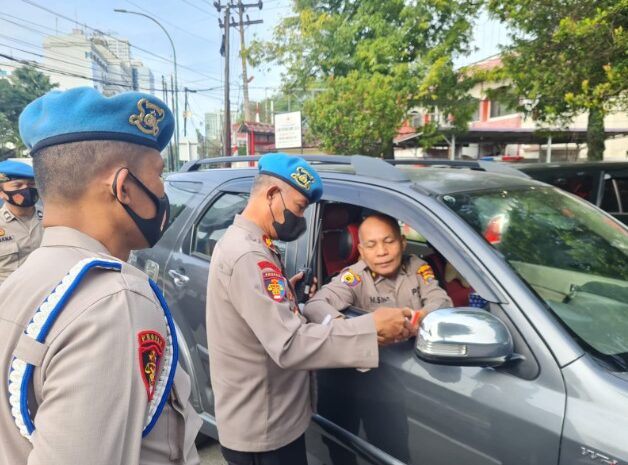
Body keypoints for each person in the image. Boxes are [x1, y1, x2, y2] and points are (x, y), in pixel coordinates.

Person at [0, 87, 201, 465]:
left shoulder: (26, 280)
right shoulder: (114, 300)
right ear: (123, 187)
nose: (163, 191)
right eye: (158, 176)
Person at [206, 153, 414, 465]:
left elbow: (260, 312)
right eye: (300, 207)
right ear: (273, 195)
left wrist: (290, 296)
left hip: (268, 419)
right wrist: (371, 328)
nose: (301, 219)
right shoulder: (249, 256)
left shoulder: (249, 244)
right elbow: (290, 344)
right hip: (265, 433)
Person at [304, 213, 453, 324]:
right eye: (371, 245)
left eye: (389, 242)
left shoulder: (417, 267)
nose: (382, 252)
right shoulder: (356, 277)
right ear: (362, 251)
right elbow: (314, 306)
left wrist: (421, 317)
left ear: (402, 243)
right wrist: (347, 329)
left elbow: (441, 300)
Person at [0, 160, 43, 284]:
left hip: (50, 295)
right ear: (1, 193)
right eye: (17, 186)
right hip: (8, 298)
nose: (26, 189)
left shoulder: (52, 218)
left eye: (31, 185)